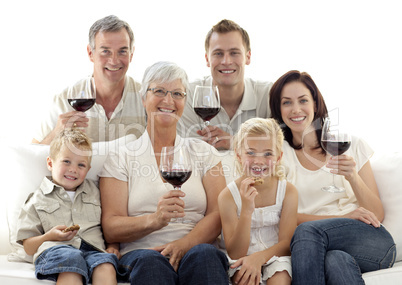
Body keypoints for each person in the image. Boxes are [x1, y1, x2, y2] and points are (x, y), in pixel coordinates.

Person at [99, 61, 229, 284]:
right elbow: (111, 227)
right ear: (143, 98)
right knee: (151, 263)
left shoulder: (204, 153)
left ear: (185, 101)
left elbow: (219, 215)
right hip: (143, 253)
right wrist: (155, 220)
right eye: (159, 91)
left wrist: (184, 244)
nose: (168, 100)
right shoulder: (121, 156)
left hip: (196, 250)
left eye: (177, 93)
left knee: (205, 256)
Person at [269, 70, 396, 284]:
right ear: (278, 109)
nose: (296, 109)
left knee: (307, 232)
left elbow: (377, 214)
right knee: (336, 261)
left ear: (316, 105)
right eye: (287, 102)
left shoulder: (351, 145)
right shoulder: (278, 155)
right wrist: (342, 219)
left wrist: (353, 177)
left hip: (369, 240)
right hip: (315, 247)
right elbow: (281, 218)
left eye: (303, 101)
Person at [16, 128, 120, 285]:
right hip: (58, 250)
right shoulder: (38, 198)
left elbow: (110, 223)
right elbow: (28, 247)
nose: (73, 169)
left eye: (81, 165)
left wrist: (113, 245)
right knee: (71, 261)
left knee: (106, 264)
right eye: (66, 161)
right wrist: (49, 236)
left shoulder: (96, 192)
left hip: (95, 250)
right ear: (50, 163)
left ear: (88, 169)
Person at [32, 15, 146, 144]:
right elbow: (32, 155)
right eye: (105, 51)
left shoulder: (146, 98)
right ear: (90, 53)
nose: (114, 61)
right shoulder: (64, 100)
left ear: (131, 54)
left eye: (122, 51)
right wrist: (56, 133)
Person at [218, 118, 297, 285]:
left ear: (279, 157)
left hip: (275, 257)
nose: (259, 161)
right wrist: (246, 210)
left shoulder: (288, 192)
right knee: (245, 277)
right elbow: (235, 253)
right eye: (251, 153)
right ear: (239, 155)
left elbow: (286, 243)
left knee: (280, 277)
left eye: (268, 154)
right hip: (241, 260)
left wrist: (259, 258)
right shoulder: (228, 196)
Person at [179, 19, 272, 150]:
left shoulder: (268, 95)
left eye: (234, 53)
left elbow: (283, 149)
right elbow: (187, 153)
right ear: (207, 59)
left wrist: (235, 142)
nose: (226, 61)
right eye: (218, 53)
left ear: (248, 57)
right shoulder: (188, 95)